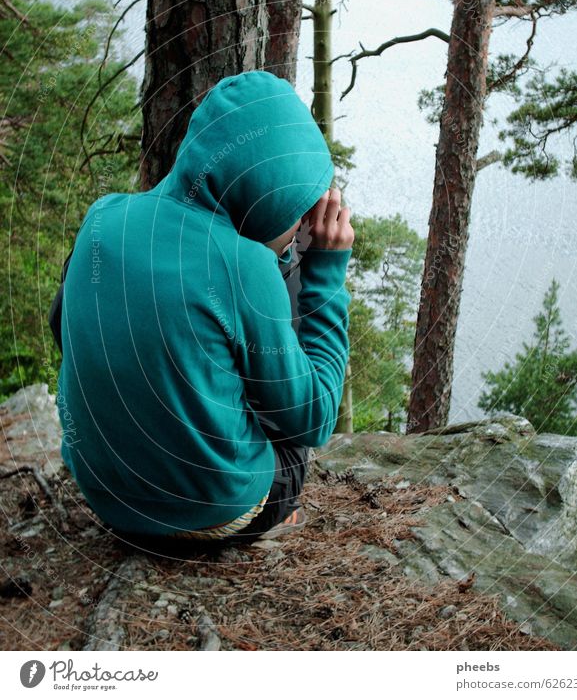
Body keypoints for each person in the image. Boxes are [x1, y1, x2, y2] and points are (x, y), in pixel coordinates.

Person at [51, 69, 353, 547]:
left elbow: (61, 325)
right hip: (213, 512)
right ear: (261, 198)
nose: (300, 229)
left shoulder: (103, 215)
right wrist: (326, 271)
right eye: (296, 214)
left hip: (105, 494)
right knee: (293, 429)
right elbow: (316, 420)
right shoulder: (245, 264)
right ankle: (270, 514)